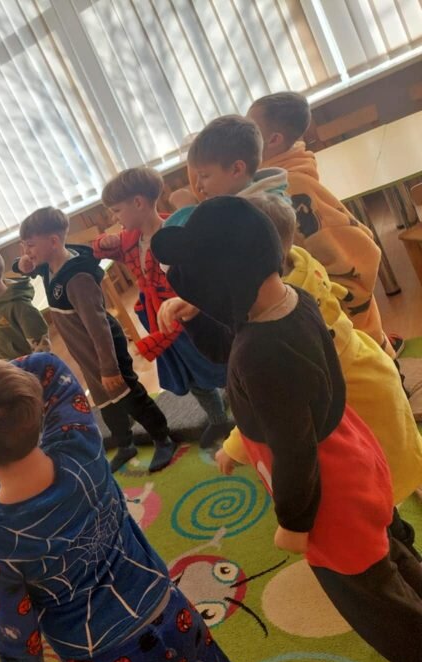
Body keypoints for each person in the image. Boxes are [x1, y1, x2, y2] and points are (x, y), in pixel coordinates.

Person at [0, 352, 302, 662]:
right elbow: (51, 366)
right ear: (34, 404)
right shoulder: (80, 442)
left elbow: (13, 628)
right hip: (171, 615)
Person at [153, 195, 422, 662]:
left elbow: (295, 449)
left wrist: (296, 523)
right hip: (355, 460)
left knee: (378, 604)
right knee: (391, 557)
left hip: (329, 497)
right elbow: (235, 348)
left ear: (228, 281)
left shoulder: (262, 353)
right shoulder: (291, 301)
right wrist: (199, 318)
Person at [217, 194, 422, 510]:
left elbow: (276, 408)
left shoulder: (280, 326)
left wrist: (234, 447)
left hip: (354, 398)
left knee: (376, 481)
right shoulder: (299, 261)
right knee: (400, 447)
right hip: (369, 367)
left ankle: (391, 522)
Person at [15, 207, 177, 473]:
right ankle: (125, 444)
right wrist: (22, 265)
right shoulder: (48, 266)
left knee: (128, 396)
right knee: (106, 402)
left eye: (30, 245)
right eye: (24, 246)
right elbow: (28, 266)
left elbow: (99, 327)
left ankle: (163, 438)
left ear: (53, 242)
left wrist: (109, 368)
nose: (26, 252)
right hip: (87, 353)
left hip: (105, 349)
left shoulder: (77, 278)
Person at [246, 91, 393, 356]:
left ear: (274, 140)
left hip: (341, 315)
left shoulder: (292, 186)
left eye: (250, 129)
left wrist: (334, 295)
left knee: (370, 362)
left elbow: (356, 250)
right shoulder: (274, 177)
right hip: (325, 305)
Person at [94, 167, 230, 448]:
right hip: (160, 318)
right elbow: (99, 249)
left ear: (138, 203)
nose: (115, 218)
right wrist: (104, 242)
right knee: (191, 375)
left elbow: (203, 273)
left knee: (219, 366)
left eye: (117, 211)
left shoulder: (175, 232)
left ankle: (245, 410)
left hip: (190, 315)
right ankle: (218, 419)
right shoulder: (129, 240)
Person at [166, 115, 288, 227]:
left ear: (237, 169)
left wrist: (187, 211)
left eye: (204, 175)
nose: (198, 185)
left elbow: (202, 240)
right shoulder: (232, 203)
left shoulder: (262, 211)